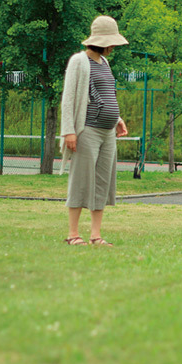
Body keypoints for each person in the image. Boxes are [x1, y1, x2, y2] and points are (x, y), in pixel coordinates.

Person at [59, 15, 129, 246]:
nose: (113, 47)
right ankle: (72, 234)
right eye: (111, 42)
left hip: (107, 132)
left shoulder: (104, 63)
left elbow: (104, 95)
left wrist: (117, 119)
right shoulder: (79, 61)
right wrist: (69, 131)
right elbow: (69, 99)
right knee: (81, 180)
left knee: (102, 182)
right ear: (102, 41)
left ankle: (96, 235)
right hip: (86, 130)